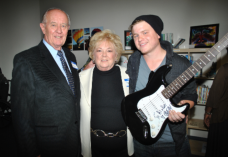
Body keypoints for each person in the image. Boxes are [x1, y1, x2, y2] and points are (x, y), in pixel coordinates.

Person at [11, 8, 81, 157]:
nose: (59, 31)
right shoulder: (26, 60)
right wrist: (31, 152)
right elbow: (21, 117)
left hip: (73, 140)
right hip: (47, 146)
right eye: (53, 25)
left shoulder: (71, 56)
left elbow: (68, 88)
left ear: (68, 29)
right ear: (43, 27)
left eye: (64, 26)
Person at [126, 15, 197, 157]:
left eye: (145, 32)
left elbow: (191, 94)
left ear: (158, 34)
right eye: (135, 35)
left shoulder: (180, 64)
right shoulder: (133, 61)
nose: (139, 38)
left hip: (171, 140)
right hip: (140, 138)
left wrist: (183, 107)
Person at [79, 29, 134, 157]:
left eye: (109, 50)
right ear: (92, 54)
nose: (104, 55)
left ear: (116, 55)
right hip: (93, 148)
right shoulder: (81, 78)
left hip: (123, 147)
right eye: (99, 50)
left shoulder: (130, 76)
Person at [204, 63, 228, 157]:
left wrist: (208, 112)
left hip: (222, 116)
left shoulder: (225, 69)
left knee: (218, 147)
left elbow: (215, 94)